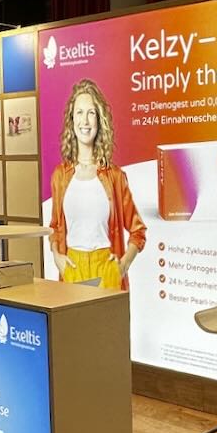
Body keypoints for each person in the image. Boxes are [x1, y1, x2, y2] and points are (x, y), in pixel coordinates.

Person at [48, 79, 146, 290]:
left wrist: (123, 265)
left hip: (106, 270)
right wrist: (57, 256)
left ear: (99, 120)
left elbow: (138, 231)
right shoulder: (60, 176)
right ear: (72, 119)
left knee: (108, 315)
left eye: (91, 113)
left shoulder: (115, 177)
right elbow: (55, 227)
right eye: (79, 112)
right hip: (72, 267)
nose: (85, 120)